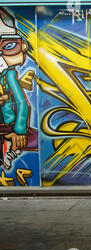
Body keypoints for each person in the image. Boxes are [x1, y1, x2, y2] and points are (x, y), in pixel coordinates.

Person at [0, 8, 38, 170]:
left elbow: (22, 103)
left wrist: (20, 129)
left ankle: (11, 154)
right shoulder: (8, 73)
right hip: (6, 124)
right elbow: (22, 103)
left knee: (32, 138)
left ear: (23, 46)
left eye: (9, 46)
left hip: (7, 123)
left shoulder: (8, 74)